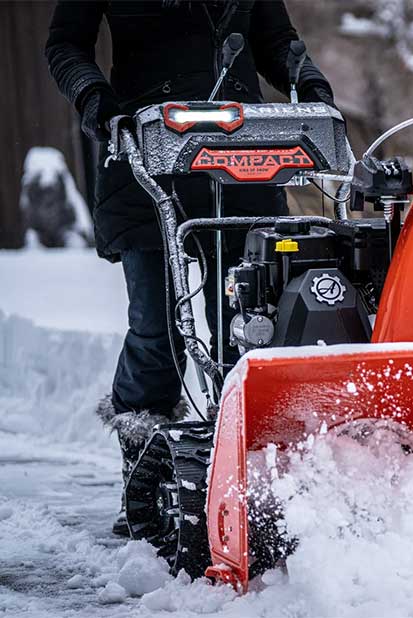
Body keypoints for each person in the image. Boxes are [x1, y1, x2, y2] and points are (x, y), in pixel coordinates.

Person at [45, 0, 338, 536]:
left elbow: (277, 41)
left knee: (248, 321)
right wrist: (98, 103)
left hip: (243, 151)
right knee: (157, 330)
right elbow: (65, 45)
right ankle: (143, 480)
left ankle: (247, 478)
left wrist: (310, 85)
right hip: (145, 148)